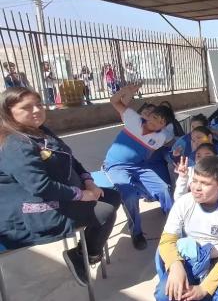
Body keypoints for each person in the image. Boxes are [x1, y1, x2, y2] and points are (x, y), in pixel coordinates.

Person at [0, 87, 121, 287]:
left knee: (113, 196)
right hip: (33, 208)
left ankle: (83, 251)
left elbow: (70, 158)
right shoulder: (15, 144)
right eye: (27, 108)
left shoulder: (40, 131)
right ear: (8, 112)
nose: (37, 110)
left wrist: (88, 181)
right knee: (105, 212)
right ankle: (86, 255)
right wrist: (82, 194)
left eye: (39, 104)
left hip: (60, 193)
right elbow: (41, 187)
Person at [155, 156, 218, 301]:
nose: (196, 187)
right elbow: (167, 240)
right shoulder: (184, 202)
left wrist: (205, 287)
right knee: (165, 294)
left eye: (205, 183)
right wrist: (175, 264)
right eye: (194, 180)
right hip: (189, 257)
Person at [103, 85, 175, 250]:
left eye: (161, 122)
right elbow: (114, 101)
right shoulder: (133, 119)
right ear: (149, 115)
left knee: (163, 189)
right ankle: (136, 233)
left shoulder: (160, 138)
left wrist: (144, 175)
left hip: (138, 166)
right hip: (115, 165)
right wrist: (126, 90)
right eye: (155, 117)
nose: (156, 122)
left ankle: (174, 227)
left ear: (164, 126)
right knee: (129, 194)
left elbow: (147, 155)